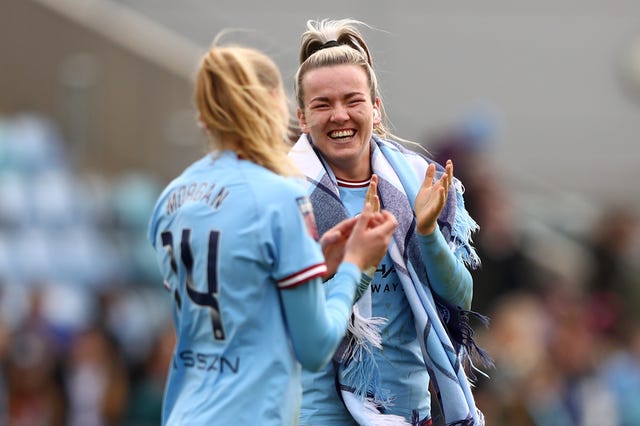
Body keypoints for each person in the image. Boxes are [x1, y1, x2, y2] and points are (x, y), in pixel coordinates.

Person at [147, 36, 398, 425]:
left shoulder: (171, 197)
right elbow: (315, 347)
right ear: (272, 104)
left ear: (204, 116)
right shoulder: (280, 197)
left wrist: (312, 262)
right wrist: (354, 266)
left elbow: (232, 305)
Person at [289, 18, 489, 426]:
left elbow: (461, 297)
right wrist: (353, 265)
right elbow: (293, 324)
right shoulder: (282, 193)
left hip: (409, 409)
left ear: (376, 108)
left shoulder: (418, 182)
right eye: (322, 104)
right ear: (303, 117)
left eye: (353, 100)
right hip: (318, 412)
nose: (339, 115)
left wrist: (429, 233)